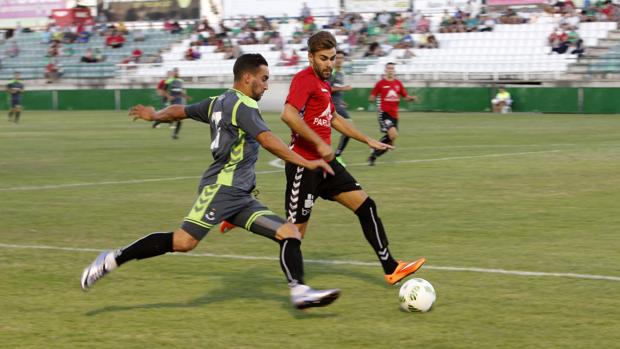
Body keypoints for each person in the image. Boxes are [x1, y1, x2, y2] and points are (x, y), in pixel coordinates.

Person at [81, 53, 341, 310]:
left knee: (289, 232)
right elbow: (267, 139)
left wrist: (156, 115)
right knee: (183, 242)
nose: (266, 85)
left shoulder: (218, 101)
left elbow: (180, 111)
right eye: (263, 79)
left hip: (240, 197)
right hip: (221, 189)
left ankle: (299, 291)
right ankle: (112, 258)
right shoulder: (243, 105)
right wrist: (306, 162)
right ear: (247, 77)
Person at [221, 32, 426, 286]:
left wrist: (367, 140)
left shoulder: (324, 84)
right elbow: (289, 115)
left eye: (332, 58)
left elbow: (333, 119)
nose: (329, 63)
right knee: (293, 234)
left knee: (366, 206)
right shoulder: (303, 80)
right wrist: (319, 143)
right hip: (303, 166)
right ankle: (240, 217)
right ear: (310, 57)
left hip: (327, 166)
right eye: (323, 58)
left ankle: (392, 267)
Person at [367, 62, 417, 166]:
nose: (390, 70)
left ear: (394, 71)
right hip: (384, 113)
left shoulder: (398, 83)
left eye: (392, 68)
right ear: (385, 70)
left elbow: (405, 96)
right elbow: (372, 96)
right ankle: (375, 148)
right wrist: (372, 98)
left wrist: (411, 98)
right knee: (393, 134)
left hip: (395, 115)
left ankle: (373, 155)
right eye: (388, 68)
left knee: (391, 141)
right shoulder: (380, 83)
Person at [329, 50, 353, 165]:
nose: (339, 60)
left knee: (349, 129)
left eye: (341, 58)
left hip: (337, 106)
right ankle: (337, 155)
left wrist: (341, 101)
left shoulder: (341, 73)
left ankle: (337, 155)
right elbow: (327, 89)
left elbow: (335, 90)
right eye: (337, 58)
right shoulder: (331, 72)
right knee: (349, 128)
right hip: (329, 107)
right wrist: (343, 88)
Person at [163, 68, 189, 139]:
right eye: (175, 72)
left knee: (179, 118)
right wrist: (168, 96)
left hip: (179, 100)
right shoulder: (169, 80)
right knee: (169, 116)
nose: (177, 73)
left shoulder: (180, 81)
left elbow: (180, 91)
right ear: (173, 73)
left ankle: (175, 134)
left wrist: (185, 96)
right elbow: (164, 90)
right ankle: (157, 122)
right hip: (173, 100)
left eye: (177, 72)